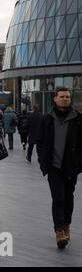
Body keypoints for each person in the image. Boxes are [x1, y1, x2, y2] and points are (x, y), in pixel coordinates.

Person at [37, 87, 82, 249]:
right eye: (62, 96)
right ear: (54, 99)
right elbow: (40, 141)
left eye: (68, 97)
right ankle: (59, 231)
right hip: (54, 166)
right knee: (58, 198)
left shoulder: (77, 119)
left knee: (69, 198)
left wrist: (78, 162)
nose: (65, 99)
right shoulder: (47, 119)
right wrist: (43, 160)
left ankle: (67, 224)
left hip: (71, 167)